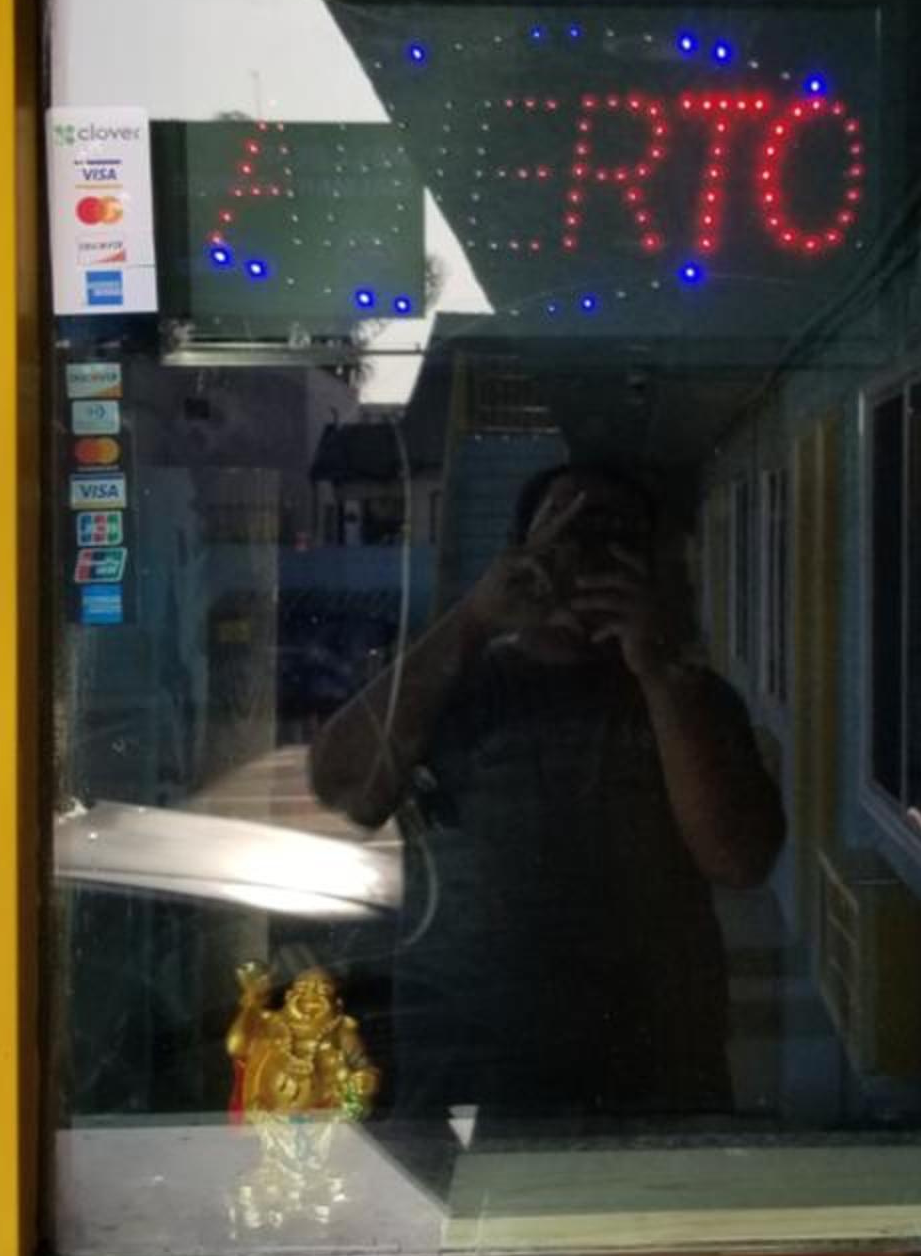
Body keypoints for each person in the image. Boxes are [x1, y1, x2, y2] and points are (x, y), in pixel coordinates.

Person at [309, 460, 785, 1120]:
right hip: (469, 1085)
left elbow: (740, 859)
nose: (584, 559)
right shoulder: (457, 684)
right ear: (521, 550)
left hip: (656, 1083)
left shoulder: (689, 697)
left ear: (647, 566)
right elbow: (343, 789)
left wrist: (657, 670)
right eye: (563, 534)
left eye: (613, 538)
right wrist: (475, 617)